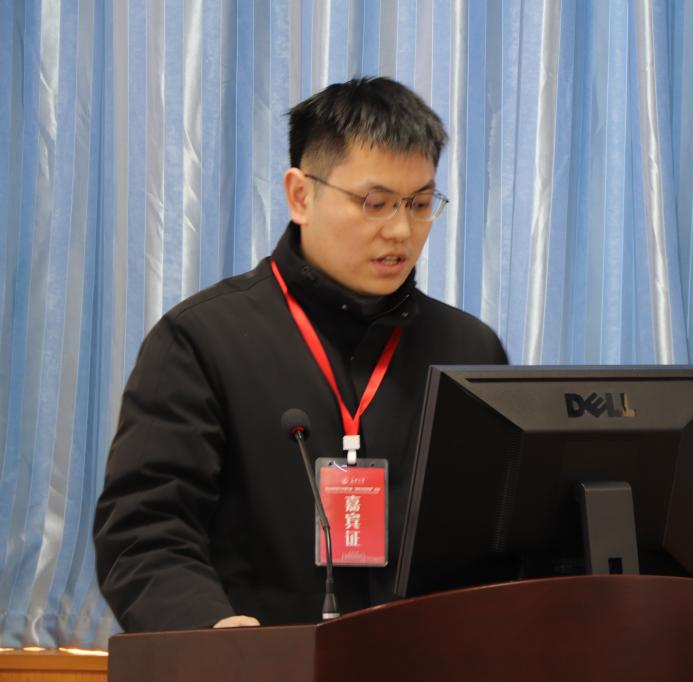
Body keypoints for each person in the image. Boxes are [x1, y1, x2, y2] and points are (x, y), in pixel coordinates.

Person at [93, 77, 508, 632]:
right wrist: (211, 629)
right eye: (376, 203)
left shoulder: (469, 351)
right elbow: (144, 533)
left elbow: (502, 542)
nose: (401, 230)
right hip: (259, 663)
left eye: (420, 203)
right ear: (301, 195)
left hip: (426, 660)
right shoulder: (200, 341)